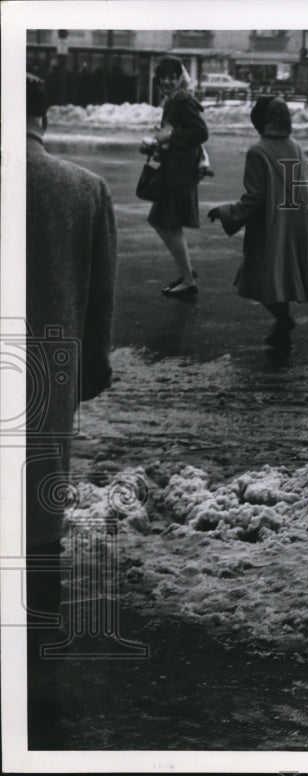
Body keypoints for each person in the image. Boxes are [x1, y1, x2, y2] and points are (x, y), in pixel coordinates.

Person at [24, 73, 118, 747]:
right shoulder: (83, 189)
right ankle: (36, 616)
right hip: (46, 365)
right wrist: (90, 371)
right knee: (38, 492)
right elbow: (100, 297)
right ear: (45, 116)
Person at [207, 97, 308, 350]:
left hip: (271, 223)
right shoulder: (294, 145)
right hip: (295, 219)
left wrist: (226, 213)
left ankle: (283, 320)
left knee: (262, 276)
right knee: (281, 275)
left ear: (261, 121)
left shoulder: (257, 151)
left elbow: (255, 198)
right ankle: (282, 326)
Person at [143, 56, 208, 298]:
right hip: (175, 170)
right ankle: (187, 271)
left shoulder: (182, 100)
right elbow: (177, 133)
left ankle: (189, 281)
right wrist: (158, 144)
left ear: (180, 77)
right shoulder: (173, 100)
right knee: (160, 221)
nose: (168, 81)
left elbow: (201, 132)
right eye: (164, 77)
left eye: (173, 77)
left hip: (180, 173)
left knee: (167, 223)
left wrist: (170, 138)